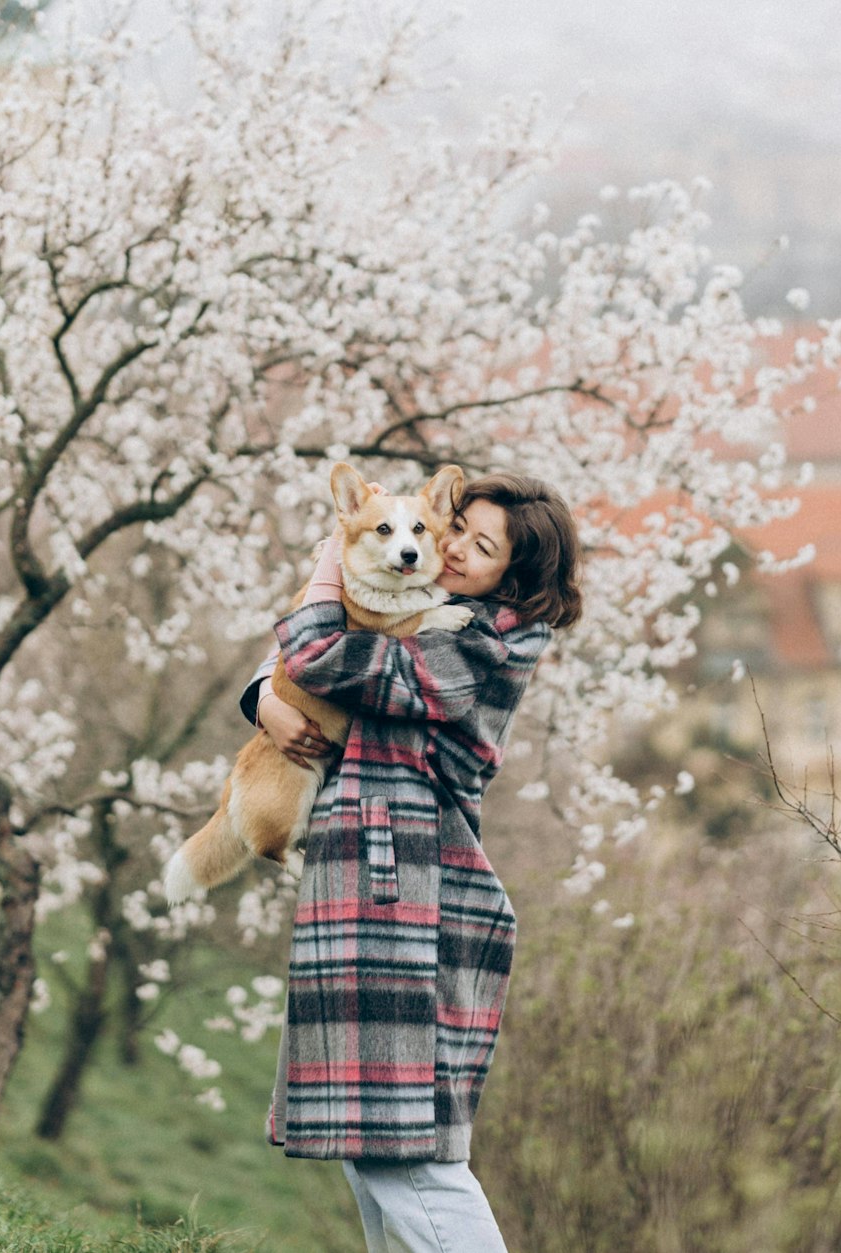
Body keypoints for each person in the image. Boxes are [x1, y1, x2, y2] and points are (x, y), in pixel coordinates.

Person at [238, 472, 583, 1252]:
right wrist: (263, 697)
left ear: (514, 578)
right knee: (366, 1146)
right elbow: (296, 665)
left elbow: (320, 653)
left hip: (408, 895)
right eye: (456, 526)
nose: (452, 548)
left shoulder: (483, 640)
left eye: (482, 547)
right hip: (370, 882)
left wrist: (334, 551)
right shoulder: (418, 604)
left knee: (402, 1153)